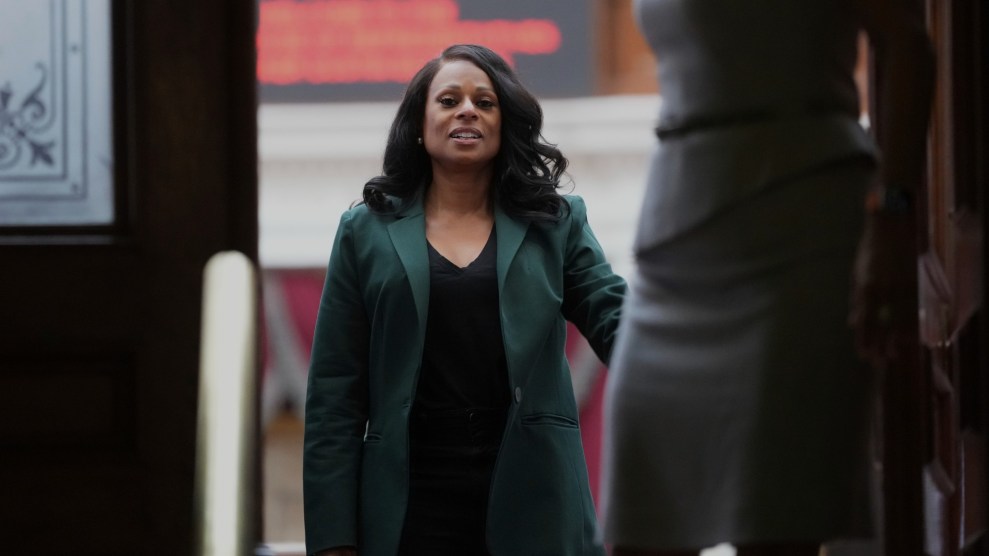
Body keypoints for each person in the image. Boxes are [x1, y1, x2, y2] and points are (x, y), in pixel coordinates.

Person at [600, 0, 934, 555]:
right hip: (677, 238)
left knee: (774, 528)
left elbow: (908, 45)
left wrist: (893, 217)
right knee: (640, 525)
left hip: (803, 227)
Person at [303, 44, 626, 556]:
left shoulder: (555, 222)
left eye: (486, 102)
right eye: (448, 100)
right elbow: (334, 396)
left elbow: (614, 317)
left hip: (533, 489)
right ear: (418, 123)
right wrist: (332, 539)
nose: (468, 110)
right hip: (411, 497)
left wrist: (680, 339)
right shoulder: (364, 231)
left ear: (505, 125)